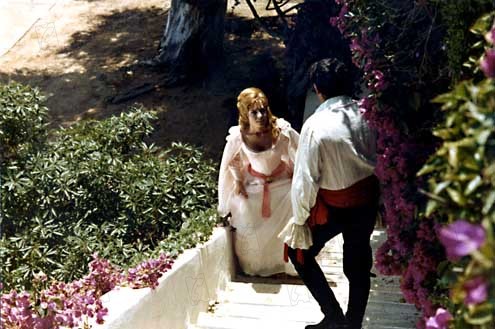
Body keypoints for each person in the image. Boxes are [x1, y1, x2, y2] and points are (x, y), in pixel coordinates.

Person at [279, 58, 379, 329]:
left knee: (297, 250)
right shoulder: (367, 113)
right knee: (357, 263)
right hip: (367, 202)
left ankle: (334, 316)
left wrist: (300, 219)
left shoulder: (316, 125)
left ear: (316, 89)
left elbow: (305, 181)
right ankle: (352, 323)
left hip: (336, 207)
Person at [218, 87, 299, 277]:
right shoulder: (239, 135)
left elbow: (302, 149)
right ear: (246, 113)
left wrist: (295, 170)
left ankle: (289, 263)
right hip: (255, 183)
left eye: (263, 109)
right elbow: (231, 161)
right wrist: (238, 180)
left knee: (292, 201)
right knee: (245, 207)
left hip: (281, 182)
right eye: (255, 112)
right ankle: (258, 265)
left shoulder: (280, 128)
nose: (261, 115)